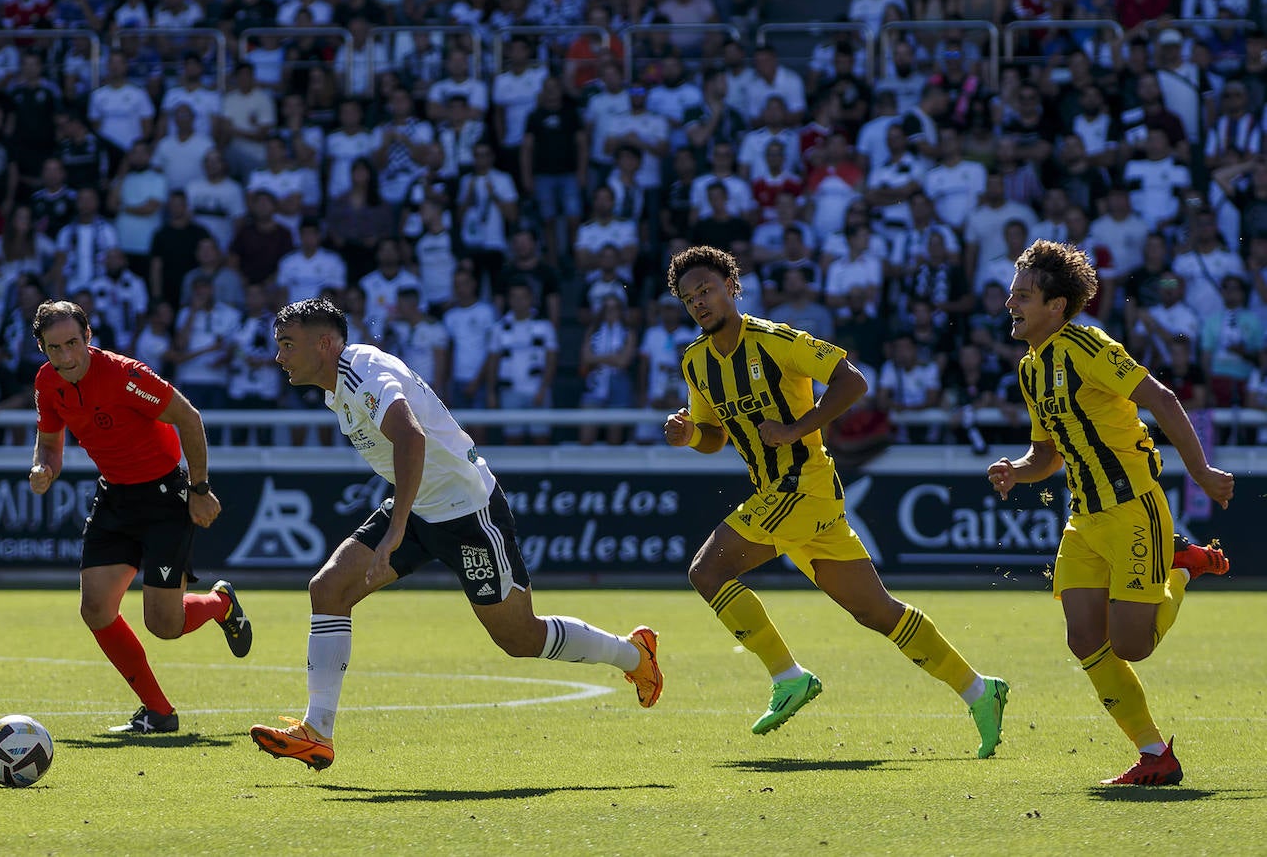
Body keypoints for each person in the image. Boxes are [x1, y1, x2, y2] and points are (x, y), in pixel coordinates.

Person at [250, 298, 662, 770]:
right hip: (420, 506)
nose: (278, 356)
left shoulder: (363, 370)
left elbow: (411, 437)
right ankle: (317, 731)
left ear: (324, 343)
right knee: (328, 588)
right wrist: (404, 519)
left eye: (287, 344)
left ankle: (633, 655)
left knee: (519, 637)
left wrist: (396, 529)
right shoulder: (339, 384)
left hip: (468, 513)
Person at [662, 245, 1008, 756]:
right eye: (690, 298)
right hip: (788, 497)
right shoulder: (695, 363)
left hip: (801, 486)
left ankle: (788, 677)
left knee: (706, 572)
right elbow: (714, 435)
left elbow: (853, 380)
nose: (700, 302)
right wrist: (690, 435)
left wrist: (797, 429)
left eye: (707, 290)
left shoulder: (778, 341)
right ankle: (981, 690)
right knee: (877, 612)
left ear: (732, 287)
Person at [986, 240, 1234, 786]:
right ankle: (1154, 756)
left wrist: (1201, 473)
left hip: (1132, 510)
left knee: (1131, 646)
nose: (1012, 304)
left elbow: (1163, 400)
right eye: (1012, 294)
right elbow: (1046, 455)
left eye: (1023, 295)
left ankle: (1183, 566)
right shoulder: (1031, 369)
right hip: (1083, 519)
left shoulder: (1089, 346)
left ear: (1057, 306)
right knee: (1083, 640)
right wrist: (1017, 470)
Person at [28, 300, 253, 734]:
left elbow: (189, 418)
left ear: (89, 338)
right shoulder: (46, 382)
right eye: (55, 348)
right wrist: (44, 469)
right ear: (42, 349)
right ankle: (158, 713)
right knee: (95, 608)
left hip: (165, 499)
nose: (67, 357)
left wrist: (200, 489)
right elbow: (50, 444)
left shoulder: (127, 377)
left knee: (164, 625)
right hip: (114, 498)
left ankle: (221, 604)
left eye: (73, 343)